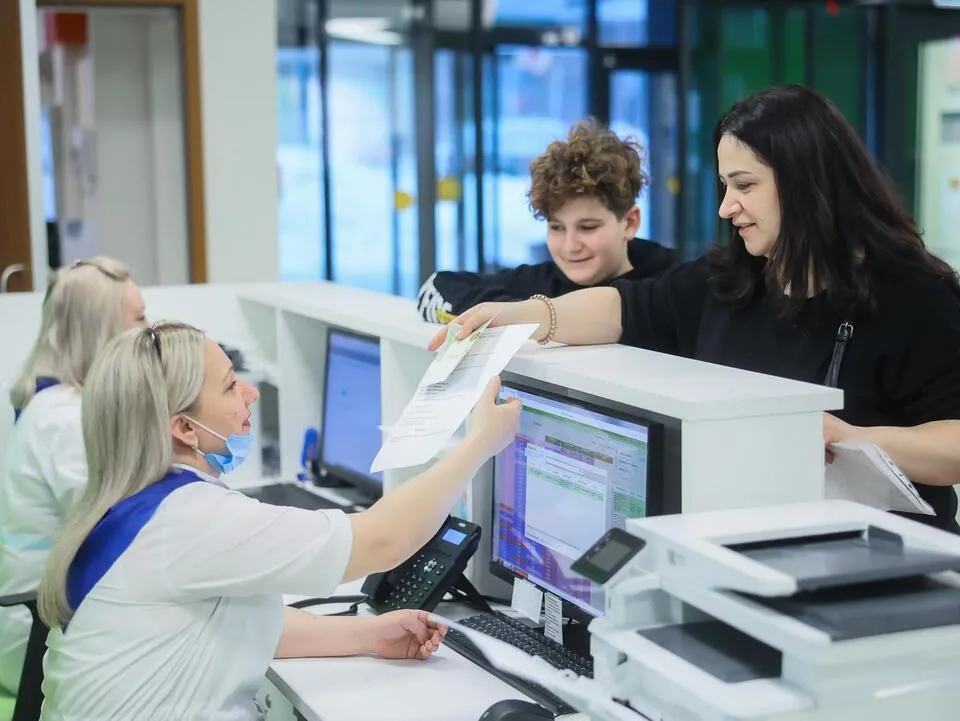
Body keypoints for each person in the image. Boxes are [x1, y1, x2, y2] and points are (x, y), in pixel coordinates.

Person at [431, 84, 960, 534]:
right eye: (725, 186)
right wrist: (522, 317)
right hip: (747, 547)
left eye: (745, 186)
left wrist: (853, 439)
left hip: (883, 562)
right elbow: (623, 307)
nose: (728, 207)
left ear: (808, 181)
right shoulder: (725, 281)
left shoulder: (914, 295)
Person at [37, 321, 520, 720]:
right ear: (183, 427)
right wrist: (479, 444)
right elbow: (383, 541)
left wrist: (367, 636)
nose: (250, 393)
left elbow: (232, 621)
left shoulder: (127, 501)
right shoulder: (186, 519)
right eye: (230, 385)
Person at [0, 257, 146, 696]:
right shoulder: (66, 419)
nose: (150, 331)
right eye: (139, 319)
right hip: (37, 640)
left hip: (50, 618)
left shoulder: (57, 401)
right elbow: (119, 531)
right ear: (101, 331)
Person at [417, 118, 675, 323]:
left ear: (630, 223)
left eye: (587, 227)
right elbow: (436, 287)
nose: (570, 246)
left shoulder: (673, 286)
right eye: (556, 227)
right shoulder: (541, 281)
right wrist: (520, 314)